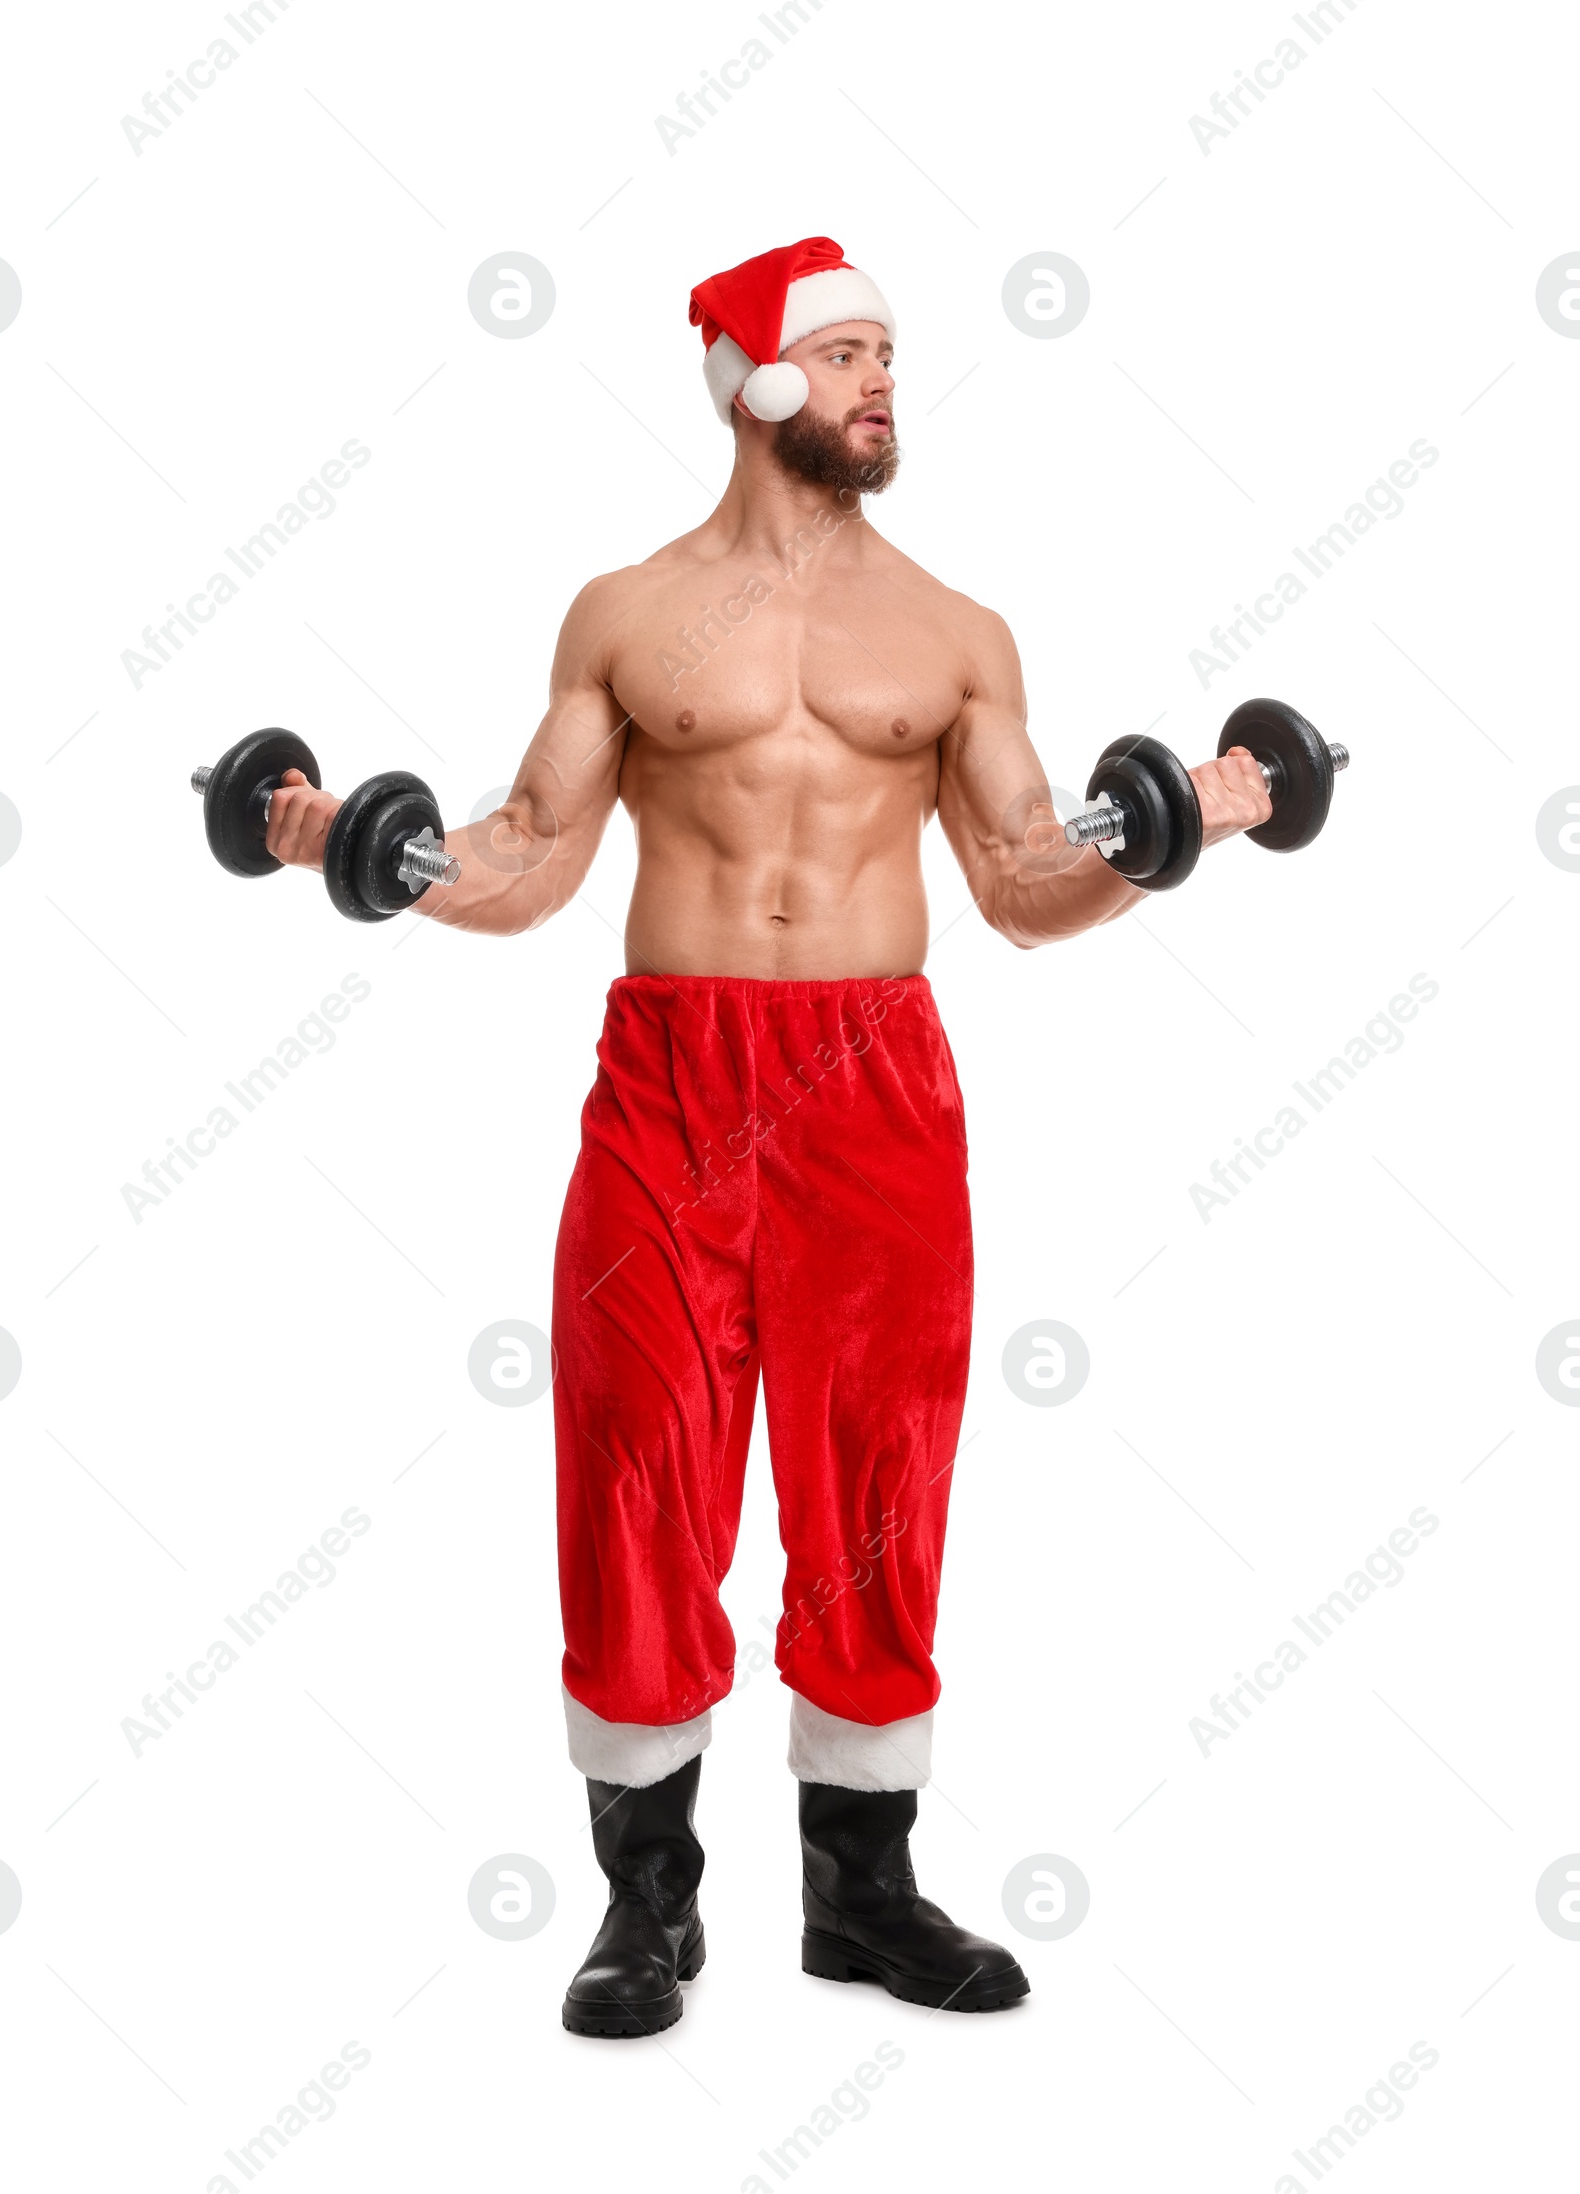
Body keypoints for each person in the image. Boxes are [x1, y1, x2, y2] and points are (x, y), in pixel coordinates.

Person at [265, 236, 1272, 2036]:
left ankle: (861, 1894)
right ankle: (648, 1904)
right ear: (760, 378)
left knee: (880, 1464)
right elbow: (528, 860)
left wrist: (1179, 823)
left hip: (874, 1078)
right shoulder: (628, 613)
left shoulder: (959, 632)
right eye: (855, 348)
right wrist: (355, 843)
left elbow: (1027, 890)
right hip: (672, 1072)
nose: (891, 379)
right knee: (637, 1450)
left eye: (896, 350)